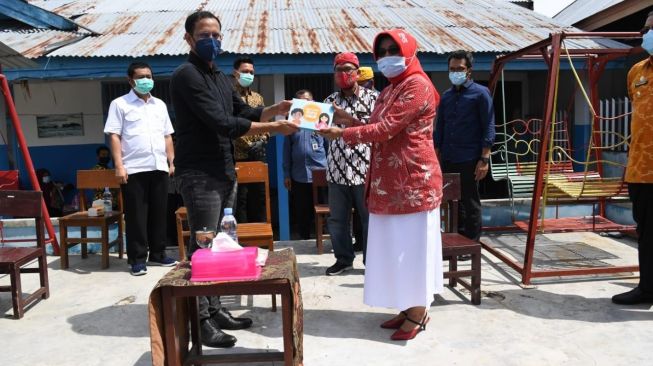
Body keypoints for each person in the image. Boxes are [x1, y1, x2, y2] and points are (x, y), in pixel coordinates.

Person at [170, 10, 298, 348]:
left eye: (216, 34)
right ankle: (201, 322)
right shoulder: (186, 75)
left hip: (225, 171)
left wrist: (276, 108)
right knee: (203, 248)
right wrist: (274, 128)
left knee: (221, 246)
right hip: (200, 175)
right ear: (189, 39)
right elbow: (221, 123)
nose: (211, 41)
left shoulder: (219, 76)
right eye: (203, 35)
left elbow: (240, 112)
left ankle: (216, 310)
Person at [319, 29, 442, 341]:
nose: (388, 56)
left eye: (394, 49)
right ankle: (405, 307)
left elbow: (387, 128)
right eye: (382, 51)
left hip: (413, 182)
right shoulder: (390, 90)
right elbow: (374, 127)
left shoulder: (417, 85)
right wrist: (346, 124)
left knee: (411, 249)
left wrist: (342, 135)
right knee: (394, 248)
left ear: (409, 50)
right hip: (387, 182)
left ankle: (418, 312)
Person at [104, 61, 177, 276]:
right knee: (136, 215)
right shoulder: (120, 104)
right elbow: (114, 135)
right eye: (141, 77)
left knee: (159, 212)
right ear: (130, 80)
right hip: (133, 168)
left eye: (149, 76)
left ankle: (158, 254)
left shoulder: (160, 105)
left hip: (159, 166)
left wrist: (172, 161)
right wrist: (119, 165)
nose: (146, 80)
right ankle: (137, 259)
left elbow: (167, 135)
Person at [323, 52, 378, 276]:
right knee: (337, 220)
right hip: (336, 170)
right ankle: (343, 259)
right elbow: (322, 132)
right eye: (339, 70)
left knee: (369, 220)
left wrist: (345, 118)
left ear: (357, 72)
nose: (344, 74)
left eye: (348, 69)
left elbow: (377, 130)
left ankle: (372, 262)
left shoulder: (374, 99)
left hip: (365, 171)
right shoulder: (328, 103)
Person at [433, 50, 495, 246]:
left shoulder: (481, 93)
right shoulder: (446, 96)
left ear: (469, 70)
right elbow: (440, 127)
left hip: (470, 158)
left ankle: (471, 243)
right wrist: (436, 153)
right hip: (449, 157)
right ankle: (457, 241)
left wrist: (484, 159)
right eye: (452, 69)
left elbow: (489, 126)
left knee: (470, 202)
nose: (455, 72)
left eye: (459, 68)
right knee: (453, 202)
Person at [612, 13, 653, 305]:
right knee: (647, 234)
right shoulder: (637, 71)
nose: (645, 33)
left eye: (650, 28)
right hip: (640, 169)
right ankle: (648, 289)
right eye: (646, 28)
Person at [283, 89, 328, 239]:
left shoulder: (322, 121)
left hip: (321, 174)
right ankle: (305, 239)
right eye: (302, 102)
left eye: (309, 101)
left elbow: (330, 147)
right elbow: (286, 151)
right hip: (299, 175)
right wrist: (287, 174)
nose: (306, 104)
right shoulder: (292, 123)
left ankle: (324, 239)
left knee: (324, 209)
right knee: (302, 211)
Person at [232, 57, 268, 224]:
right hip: (238, 155)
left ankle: (260, 238)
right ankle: (244, 239)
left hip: (258, 153)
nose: (248, 75)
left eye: (251, 72)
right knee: (241, 198)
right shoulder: (229, 97)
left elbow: (265, 123)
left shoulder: (258, 98)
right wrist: (246, 143)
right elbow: (229, 125)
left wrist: (262, 139)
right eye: (245, 72)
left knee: (259, 196)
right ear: (235, 73)